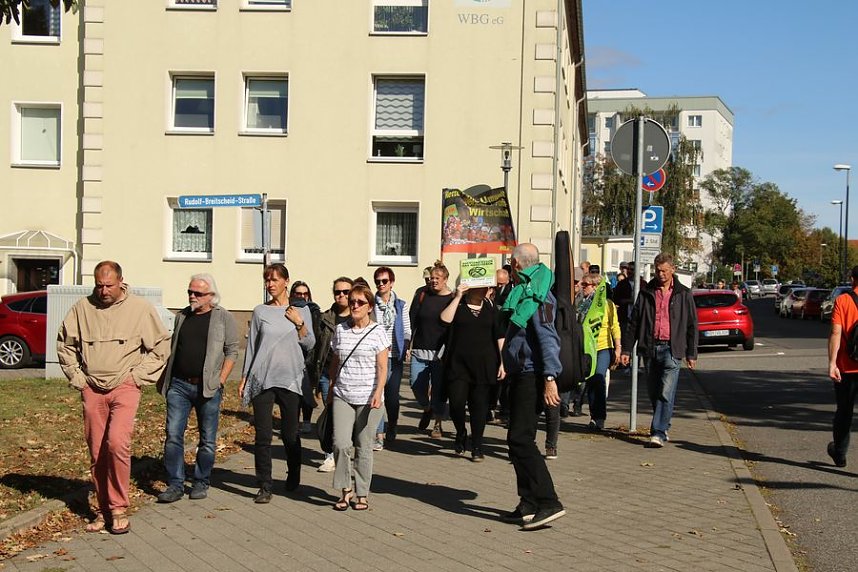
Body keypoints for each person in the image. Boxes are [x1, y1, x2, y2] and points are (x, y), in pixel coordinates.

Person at [57, 261, 171, 534]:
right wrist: (78, 378)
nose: (104, 290)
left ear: (121, 282)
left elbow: (160, 346)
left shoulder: (140, 309)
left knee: (117, 443)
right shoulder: (82, 309)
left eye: (109, 285)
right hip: (92, 388)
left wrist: (138, 376)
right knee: (97, 450)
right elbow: (64, 344)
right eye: (99, 285)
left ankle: (119, 507)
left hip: (125, 387)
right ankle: (103, 509)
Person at [500, 243, 566, 530]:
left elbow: (548, 339)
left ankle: (549, 501)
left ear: (516, 265)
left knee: (521, 439)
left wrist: (550, 379)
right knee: (514, 440)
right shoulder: (524, 291)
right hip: (519, 373)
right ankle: (527, 502)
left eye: (509, 263)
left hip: (532, 375)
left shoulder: (537, 295)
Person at [157, 274, 239, 503]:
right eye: (190, 292)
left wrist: (221, 378)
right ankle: (175, 484)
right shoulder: (182, 316)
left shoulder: (223, 318)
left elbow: (232, 350)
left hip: (208, 388)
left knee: (207, 439)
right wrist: (165, 376)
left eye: (198, 293)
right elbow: (174, 348)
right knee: (173, 435)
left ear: (211, 296)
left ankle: (201, 481)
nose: (192, 296)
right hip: (179, 386)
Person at [239, 263, 315, 503]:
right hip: (262, 379)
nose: (270, 284)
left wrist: (299, 322)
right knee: (262, 435)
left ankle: (293, 473)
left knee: (290, 434)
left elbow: (310, 343)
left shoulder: (301, 311)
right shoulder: (260, 311)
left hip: (290, 379)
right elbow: (252, 347)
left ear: (286, 281)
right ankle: (265, 484)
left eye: (274, 280)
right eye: (267, 280)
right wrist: (244, 377)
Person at [621, 252, 698, 448]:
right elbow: (634, 322)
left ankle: (658, 432)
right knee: (654, 391)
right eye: (658, 271)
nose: (661, 274)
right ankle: (663, 424)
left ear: (672, 269)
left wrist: (691, 353)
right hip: (650, 347)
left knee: (666, 391)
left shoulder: (683, 293)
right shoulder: (647, 293)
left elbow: (691, 325)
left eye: (664, 270)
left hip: (672, 349)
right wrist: (627, 350)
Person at [328, 283, 390, 511]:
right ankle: (345, 490)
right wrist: (331, 387)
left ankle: (362, 493)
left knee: (364, 446)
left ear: (370, 307)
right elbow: (335, 360)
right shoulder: (341, 330)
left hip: (368, 397)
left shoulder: (378, 332)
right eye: (352, 301)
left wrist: (378, 392)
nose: (354, 305)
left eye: (359, 302)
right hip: (343, 394)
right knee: (341, 443)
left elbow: (383, 367)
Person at [441, 282, 505, 461]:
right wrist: (458, 296)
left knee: (479, 407)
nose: (486, 290)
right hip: (458, 364)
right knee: (456, 404)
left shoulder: (492, 309)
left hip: (484, 365)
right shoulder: (457, 305)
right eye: (482, 286)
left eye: (488, 287)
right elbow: (444, 320)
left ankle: (477, 445)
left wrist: (502, 362)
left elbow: (500, 336)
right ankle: (461, 431)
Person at [313, 277, 354, 473]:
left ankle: (346, 449)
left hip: (351, 375)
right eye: (338, 292)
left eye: (346, 292)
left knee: (347, 417)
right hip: (327, 374)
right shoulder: (325, 318)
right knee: (331, 414)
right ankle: (330, 455)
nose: (341, 296)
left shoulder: (359, 317)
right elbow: (316, 348)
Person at [409, 260, 454, 438]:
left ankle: (437, 423)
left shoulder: (452, 297)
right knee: (415, 384)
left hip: (440, 352)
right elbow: (412, 319)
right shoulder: (421, 294)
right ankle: (427, 408)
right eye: (431, 278)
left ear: (445, 279)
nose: (433, 281)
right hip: (420, 349)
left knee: (439, 389)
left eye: (437, 278)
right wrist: (408, 343)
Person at [372, 267, 411, 449]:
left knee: (392, 397)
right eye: (378, 281)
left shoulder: (400, 305)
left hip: (394, 356)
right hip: (376, 356)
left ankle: (392, 425)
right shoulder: (370, 305)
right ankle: (378, 434)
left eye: (384, 281)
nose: (381, 284)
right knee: (378, 395)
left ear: (391, 283)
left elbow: (406, 330)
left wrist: (407, 348)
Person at [826, 265, 858, 468]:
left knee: (844, 412)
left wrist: (832, 363)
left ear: (852, 278)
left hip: (846, 368)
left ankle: (839, 452)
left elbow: (836, 333)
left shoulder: (843, 300)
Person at [290, 281, 322, 435]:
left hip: (310, 355)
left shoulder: (314, 310)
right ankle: (294, 422)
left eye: (304, 294)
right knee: (294, 391)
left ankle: (307, 420)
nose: (301, 297)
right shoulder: (288, 310)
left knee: (307, 389)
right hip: (293, 354)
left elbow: (317, 333)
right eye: (298, 293)